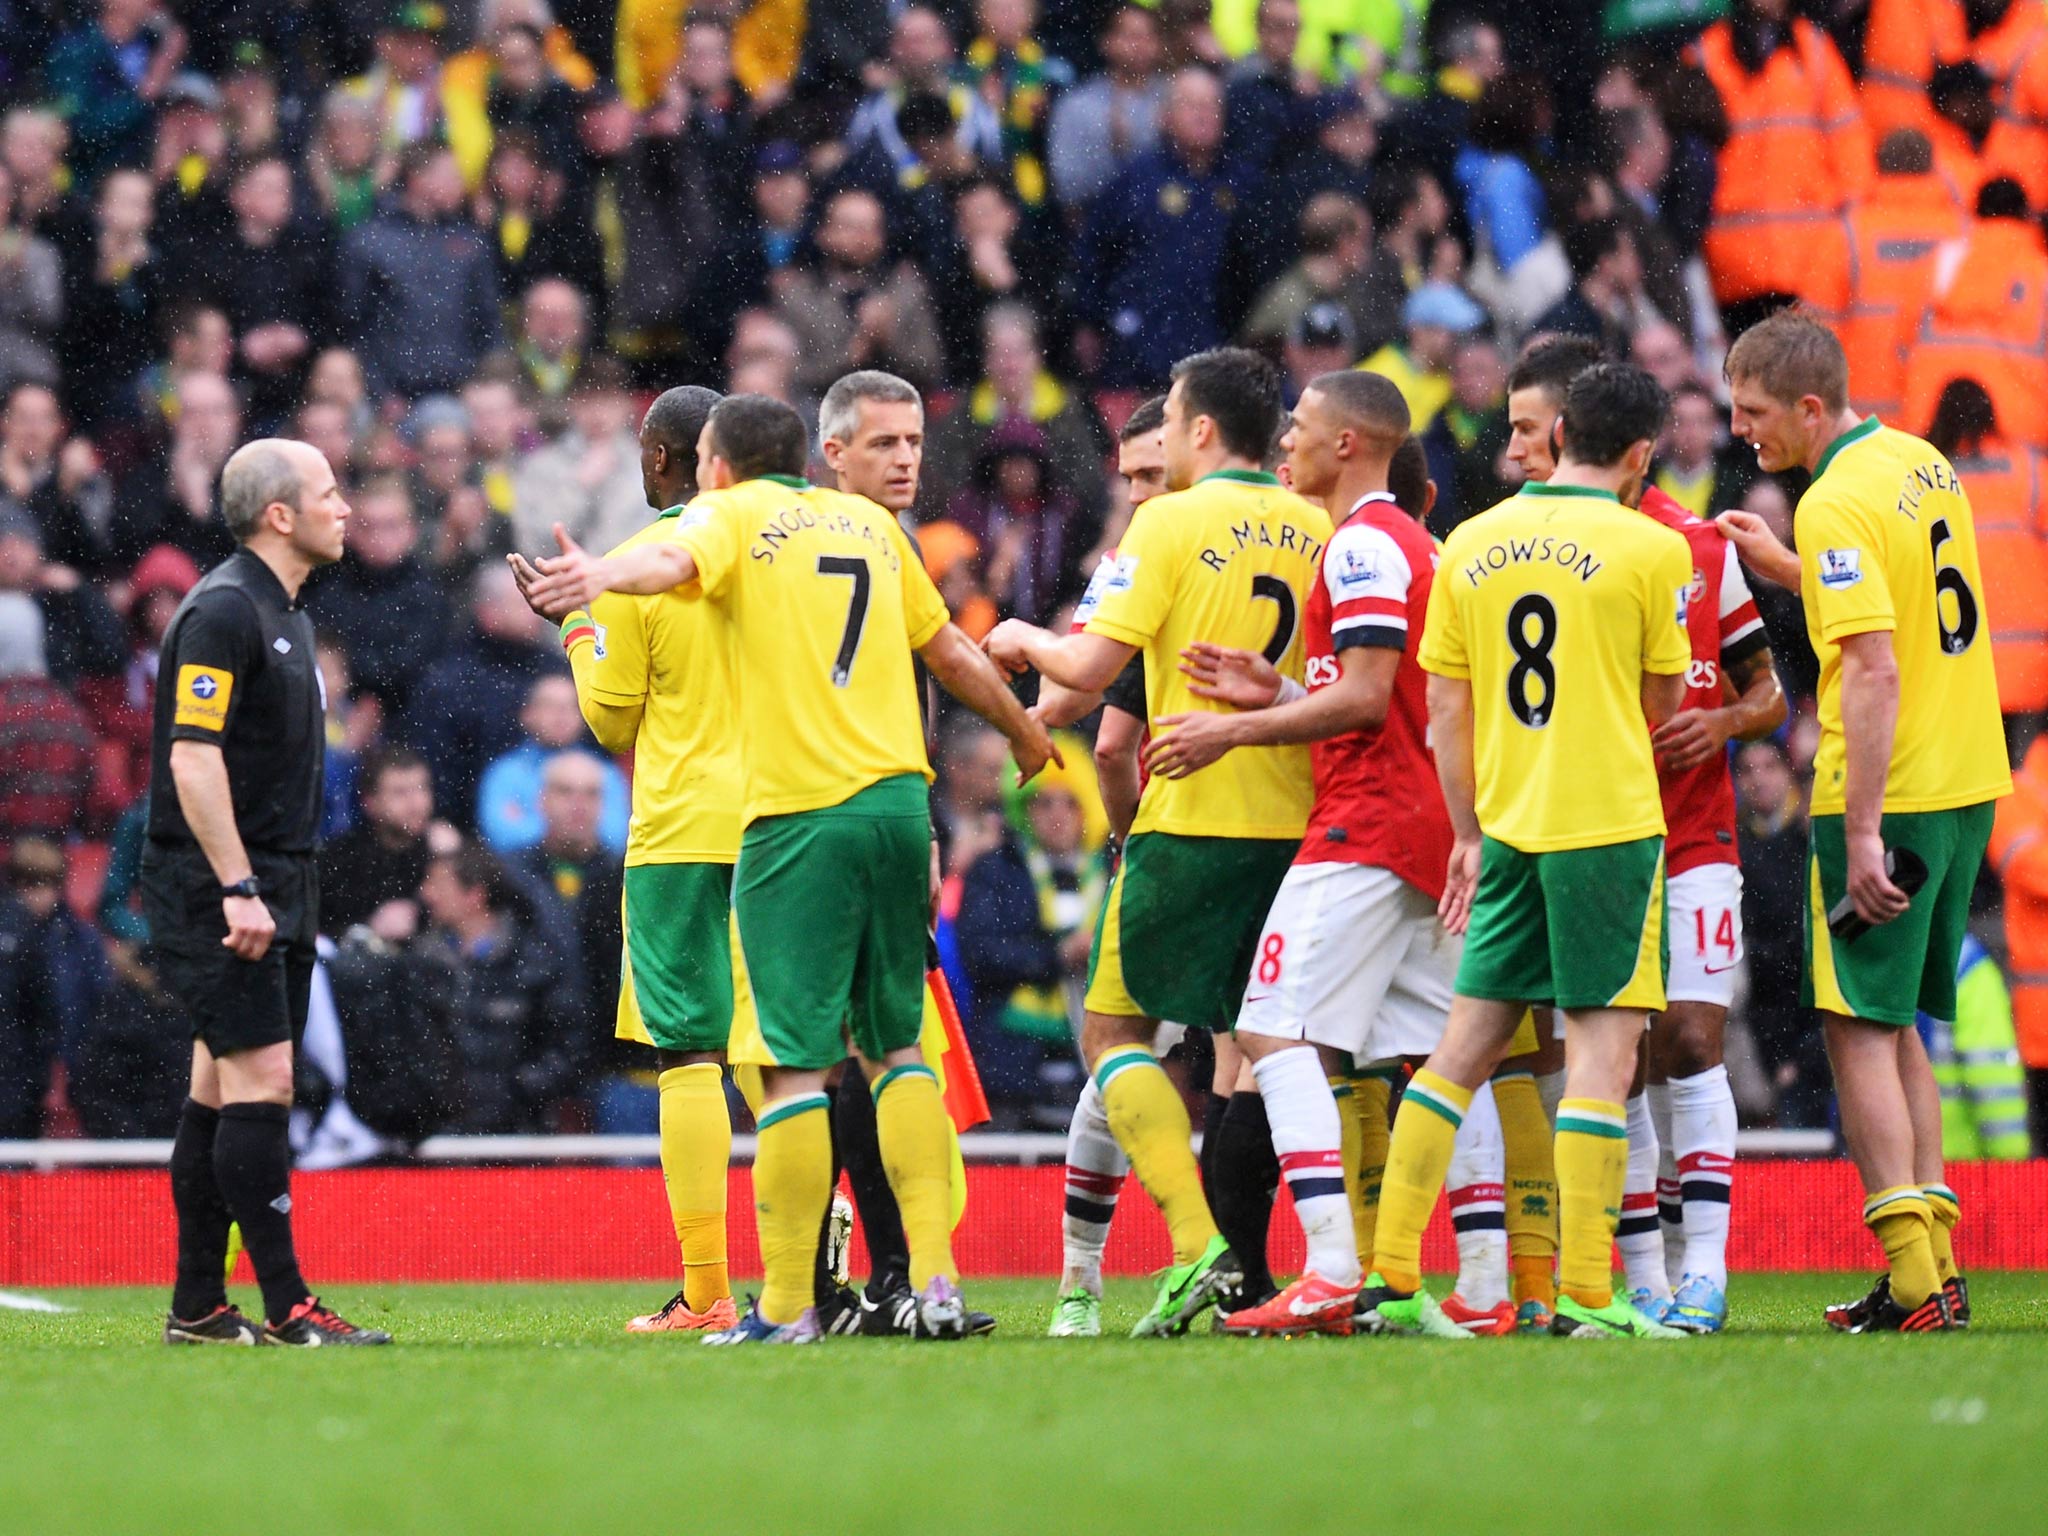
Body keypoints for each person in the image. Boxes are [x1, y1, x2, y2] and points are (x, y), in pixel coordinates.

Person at [521, 393, 1056, 1345]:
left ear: (700, 464)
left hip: (732, 825)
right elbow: (945, 652)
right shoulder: (867, 528)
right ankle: (914, 1276)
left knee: (740, 1063)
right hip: (881, 804)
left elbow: (612, 706)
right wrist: (1023, 734)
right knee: (887, 1051)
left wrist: (585, 600)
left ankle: (742, 1294)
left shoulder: (719, 524)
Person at [985, 348, 1331, 1336]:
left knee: (1111, 1037)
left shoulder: (1166, 525)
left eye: (1170, 426)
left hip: (1190, 822)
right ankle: (1351, 1263)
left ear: (1202, 432)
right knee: (1270, 1054)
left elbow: (1086, 672)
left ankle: (1199, 1251)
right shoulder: (1318, 524)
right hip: (1297, 828)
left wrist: (1017, 637)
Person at [1357, 362, 1694, 1341]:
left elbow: (1447, 712)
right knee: (1599, 1055)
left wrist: (1467, 830)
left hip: (1503, 831)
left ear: (1554, 437)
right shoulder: (1648, 548)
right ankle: (1588, 1293)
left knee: (1458, 1050)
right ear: (1636, 455)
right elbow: (1663, 704)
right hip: (1605, 830)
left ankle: (1387, 1278)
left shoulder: (1469, 542)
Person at [1715, 308, 2011, 1333]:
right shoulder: (1915, 461)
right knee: (1896, 1030)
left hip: (1888, 789)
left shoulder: (1832, 501)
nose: (1741, 433)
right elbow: (1896, 599)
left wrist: (1860, 833)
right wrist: (1786, 570)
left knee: (1851, 1027)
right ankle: (1934, 1271)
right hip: (1964, 776)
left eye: (1752, 414)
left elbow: (1873, 664)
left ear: (1805, 406)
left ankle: (1914, 1285)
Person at [139, 435, 388, 1346]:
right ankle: (289, 1307)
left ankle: (197, 1306)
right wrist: (238, 885)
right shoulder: (222, 612)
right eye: (329, 492)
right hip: (225, 883)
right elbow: (191, 759)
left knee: (219, 1085)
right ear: (279, 514)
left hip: (281, 876)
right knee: (264, 1078)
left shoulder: (288, 613)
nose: (346, 507)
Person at [509, 383, 740, 1334]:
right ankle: (831, 1279)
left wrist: (572, 622)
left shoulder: (644, 562)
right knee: (799, 1055)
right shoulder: (790, 546)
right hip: (796, 820)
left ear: (662, 456)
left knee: (691, 1054)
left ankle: (709, 1289)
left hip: (685, 827)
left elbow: (608, 715)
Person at [1617, 410, 1788, 1335]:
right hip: (1600, 840)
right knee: (1625, 1055)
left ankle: (1705, 1273)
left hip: (1692, 840)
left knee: (1690, 1038)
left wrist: (1722, 722)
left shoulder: (1697, 550)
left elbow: (1768, 692)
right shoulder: (1547, 545)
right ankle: (1644, 1275)